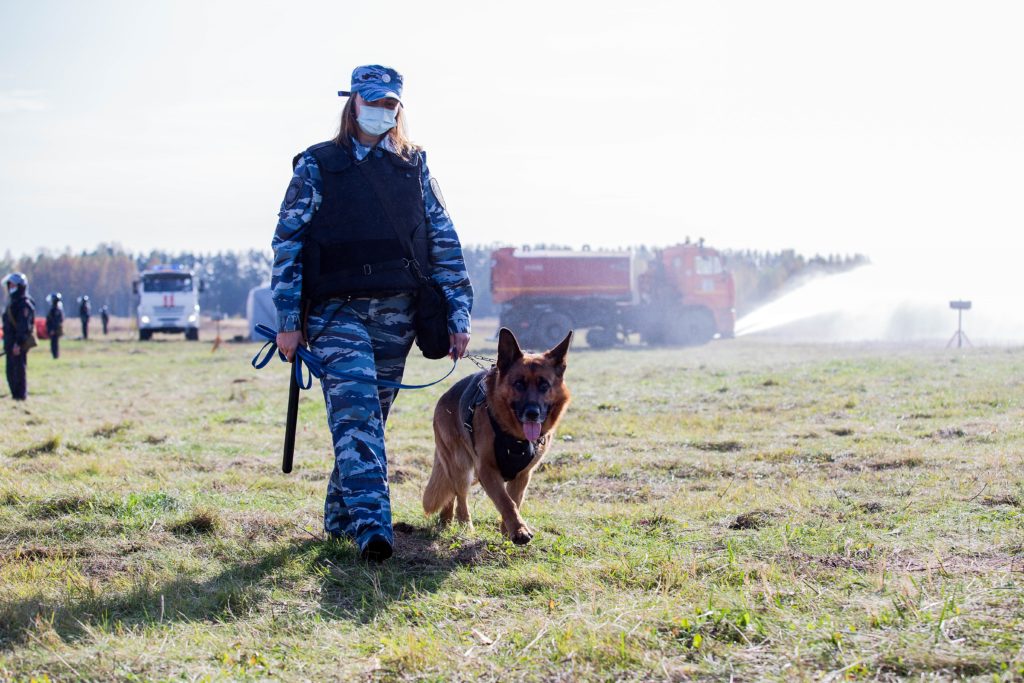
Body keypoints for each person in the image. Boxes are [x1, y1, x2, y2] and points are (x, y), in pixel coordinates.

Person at [271, 64, 473, 562]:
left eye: (391, 104)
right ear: (353, 102)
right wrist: (287, 321)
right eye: (373, 102)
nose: (382, 111)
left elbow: (443, 241)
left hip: (398, 315)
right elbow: (287, 245)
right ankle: (374, 531)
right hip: (334, 313)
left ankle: (340, 522)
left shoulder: (414, 165)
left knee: (366, 421)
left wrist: (459, 313)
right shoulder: (317, 165)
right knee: (357, 412)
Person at [3, 272, 35, 401]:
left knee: (18, 371)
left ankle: (20, 396)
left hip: (18, 344)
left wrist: (18, 343)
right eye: (9, 285)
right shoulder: (13, 302)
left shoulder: (24, 304)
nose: (11, 287)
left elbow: (24, 326)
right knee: (10, 371)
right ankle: (15, 395)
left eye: (13, 285)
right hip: (10, 343)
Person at [45, 292, 65, 359]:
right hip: (53, 330)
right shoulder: (56, 308)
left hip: (54, 330)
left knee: (54, 343)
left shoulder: (55, 309)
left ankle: (55, 356)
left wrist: (52, 329)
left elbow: (55, 321)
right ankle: (55, 355)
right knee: (53, 343)